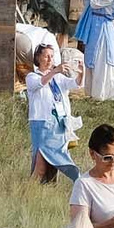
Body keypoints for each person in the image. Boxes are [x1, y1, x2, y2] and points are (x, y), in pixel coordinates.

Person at [24, 42, 80, 182]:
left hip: (59, 123)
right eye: (46, 56)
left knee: (55, 158)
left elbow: (74, 84)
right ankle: (76, 178)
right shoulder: (32, 76)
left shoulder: (58, 78)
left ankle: (52, 183)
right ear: (38, 58)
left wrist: (81, 71)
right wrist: (55, 71)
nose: (50, 60)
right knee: (42, 160)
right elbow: (39, 83)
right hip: (42, 123)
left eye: (52, 56)